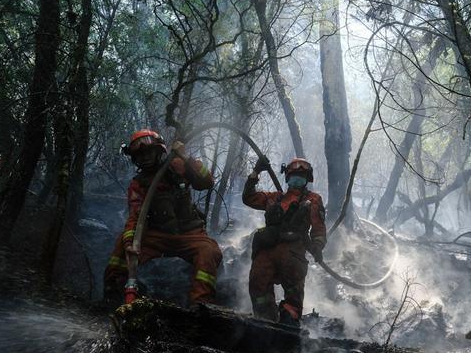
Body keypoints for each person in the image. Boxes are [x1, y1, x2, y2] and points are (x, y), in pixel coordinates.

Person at [104, 129, 222, 306]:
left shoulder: (178, 166)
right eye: (139, 154)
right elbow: (135, 216)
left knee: (209, 251)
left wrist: (186, 157)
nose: (144, 157)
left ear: (159, 150)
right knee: (122, 247)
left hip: (189, 234)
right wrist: (130, 244)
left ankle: (201, 305)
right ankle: (115, 297)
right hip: (157, 236)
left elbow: (207, 182)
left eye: (148, 152)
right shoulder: (138, 184)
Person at [242, 157, 326, 326]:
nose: (297, 179)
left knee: (293, 296)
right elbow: (248, 198)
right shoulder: (274, 198)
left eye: (301, 176)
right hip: (267, 251)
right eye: (294, 175)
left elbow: (318, 229)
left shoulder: (313, 200)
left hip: (293, 253)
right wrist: (256, 172)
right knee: (258, 283)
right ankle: (265, 325)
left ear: (307, 179)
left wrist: (317, 245)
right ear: (287, 177)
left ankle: (289, 328)